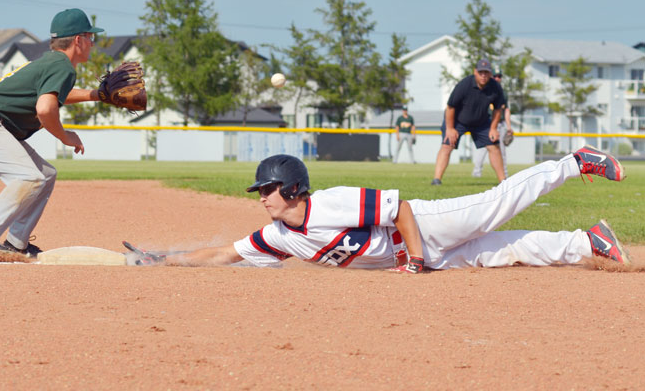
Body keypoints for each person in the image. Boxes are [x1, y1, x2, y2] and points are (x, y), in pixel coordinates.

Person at [135, 146, 629, 272]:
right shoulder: (280, 237)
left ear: (292, 189)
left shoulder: (331, 203)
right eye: (259, 190)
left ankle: (574, 162)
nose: (260, 197)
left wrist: (415, 259)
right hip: (418, 259)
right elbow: (223, 254)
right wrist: (166, 259)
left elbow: (403, 209)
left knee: (498, 205)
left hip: (424, 230)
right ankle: (589, 242)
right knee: (503, 251)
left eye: (267, 188)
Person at [0, 8, 105, 260]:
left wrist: (96, 94)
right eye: (90, 37)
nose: (91, 43)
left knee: (45, 174)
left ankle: (15, 243)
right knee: (28, 176)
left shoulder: (52, 62)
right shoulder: (63, 66)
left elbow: (52, 94)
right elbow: (45, 108)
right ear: (78, 40)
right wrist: (66, 136)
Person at [432, 59, 506, 186]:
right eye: (481, 72)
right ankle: (436, 180)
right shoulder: (464, 85)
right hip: (457, 121)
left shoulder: (495, 87)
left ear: (490, 74)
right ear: (475, 72)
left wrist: (493, 128)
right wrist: (450, 129)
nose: (483, 75)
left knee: (494, 146)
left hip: (481, 122)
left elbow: (498, 109)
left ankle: (503, 182)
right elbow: (450, 107)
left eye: (486, 73)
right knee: (447, 145)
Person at [473, 72, 513, 177]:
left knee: (501, 151)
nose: (497, 78)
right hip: (486, 124)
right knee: (482, 149)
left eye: (499, 76)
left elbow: (506, 110)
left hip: (500, 124)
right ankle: (477, 173)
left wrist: (509, 126)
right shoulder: (485, 90)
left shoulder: (503, 93)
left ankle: (504, 175)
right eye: (495, 76)